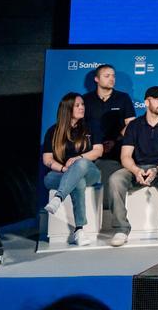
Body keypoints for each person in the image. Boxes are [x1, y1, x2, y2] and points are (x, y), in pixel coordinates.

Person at [107, 87, 158, 246]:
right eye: (157, 99)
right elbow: (125, 156)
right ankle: (121, 229)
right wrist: (136, 170)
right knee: (115, 179)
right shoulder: (134, 125)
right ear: (146, 102)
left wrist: (157, 169)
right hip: (138, 169)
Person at [41, 92, 104, 245]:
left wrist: (78, 158)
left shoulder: (91, 126)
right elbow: (47, 159)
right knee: (76, 182)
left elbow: (98, 151)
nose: (82, 107)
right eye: (77, 105)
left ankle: (58, 198)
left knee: (80, 165)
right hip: (61, 174)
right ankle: (79, 231)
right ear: (67, 109)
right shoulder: (53, 131)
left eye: (82, 104)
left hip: (90, 172)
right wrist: (63, 169)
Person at [81, 64, 135, 163]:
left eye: (113, 76)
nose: (111, 79)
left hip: (117, 150)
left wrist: (115, 140)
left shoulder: (123, 98)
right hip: (91, 149)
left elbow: (131, 124)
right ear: (96, 79)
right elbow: (80, 125)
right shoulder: (85, 99)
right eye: (107, 76)